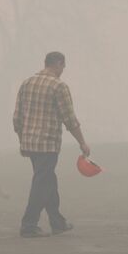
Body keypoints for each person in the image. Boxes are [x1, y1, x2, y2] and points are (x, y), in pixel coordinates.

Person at [13, 52, 90, 238]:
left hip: (29, 142)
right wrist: (82, 143)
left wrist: (22, 138)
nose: (63, 71)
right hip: (47, 143)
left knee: (47, 180)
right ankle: (29, 224)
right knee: (42, 182)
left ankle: (58, 222)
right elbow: (69, 119)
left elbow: (17, 117)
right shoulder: (59, 86)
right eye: (63, 67)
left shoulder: (27, 83)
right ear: (58, 64)